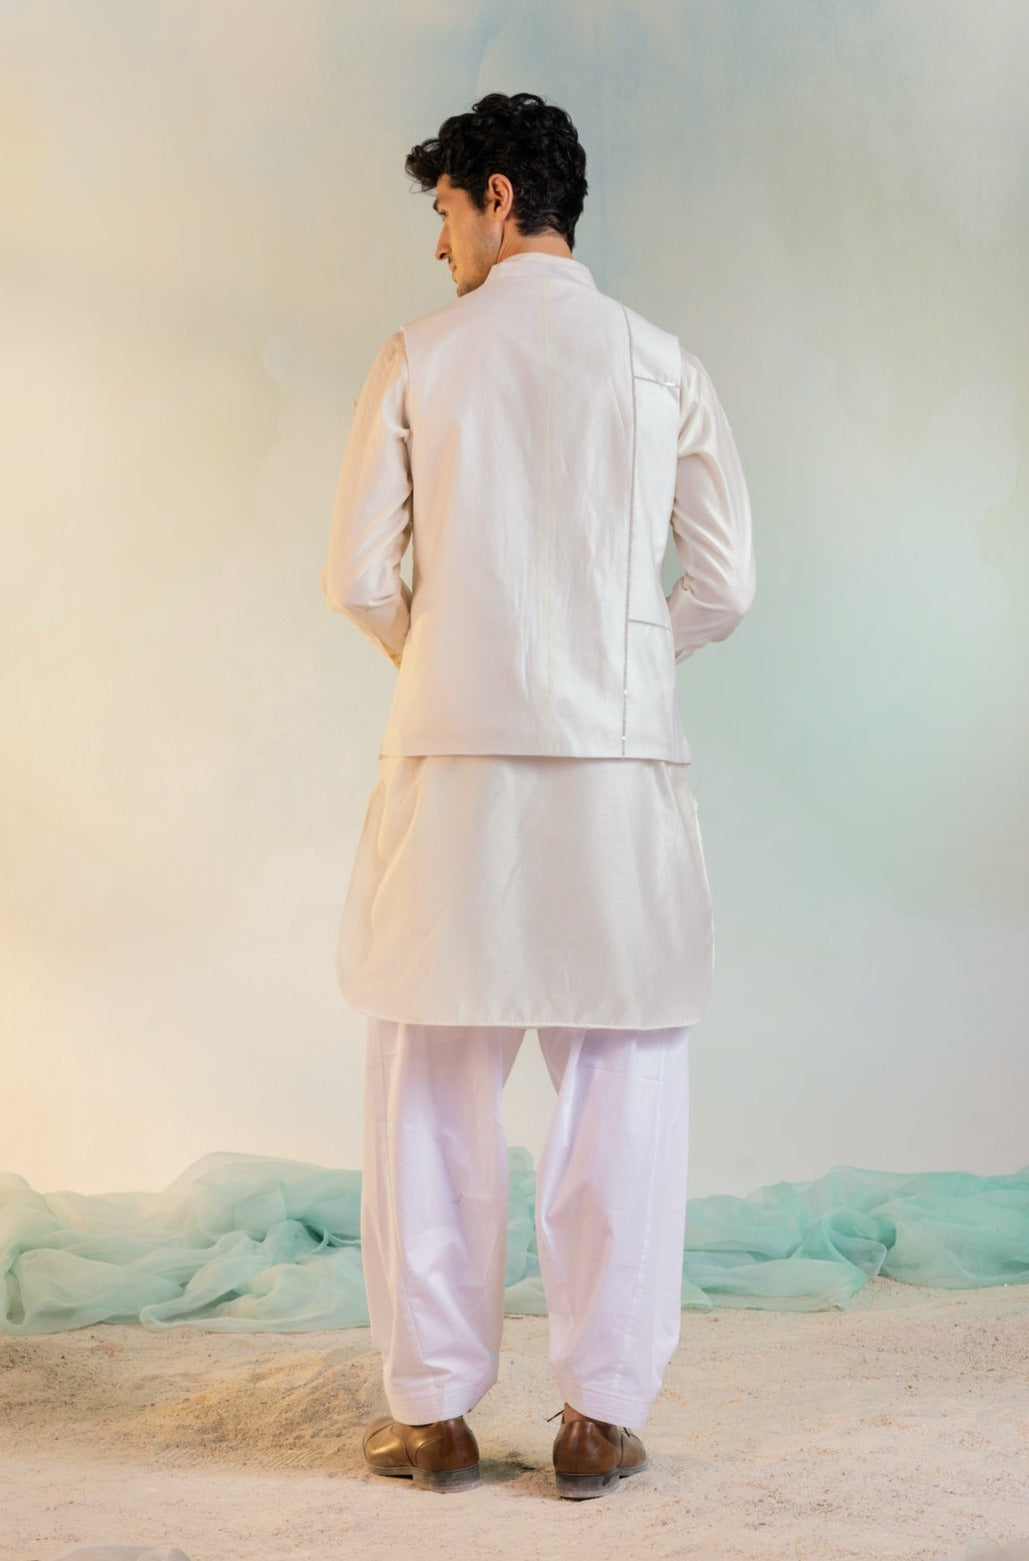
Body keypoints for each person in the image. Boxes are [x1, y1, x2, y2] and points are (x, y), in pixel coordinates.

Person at [320, 91, 755, 1500]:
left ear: (497, 198)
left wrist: (450, 661)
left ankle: (433, 1416)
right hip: (616, 774)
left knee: (428, 1079)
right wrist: (620, 671)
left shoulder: (419, 355)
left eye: (445, 209)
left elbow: (359, 579)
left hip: (455, 765)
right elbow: (725, 584)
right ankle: (595, 1418)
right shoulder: (661, 361)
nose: (440, 240)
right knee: (621, 1078)